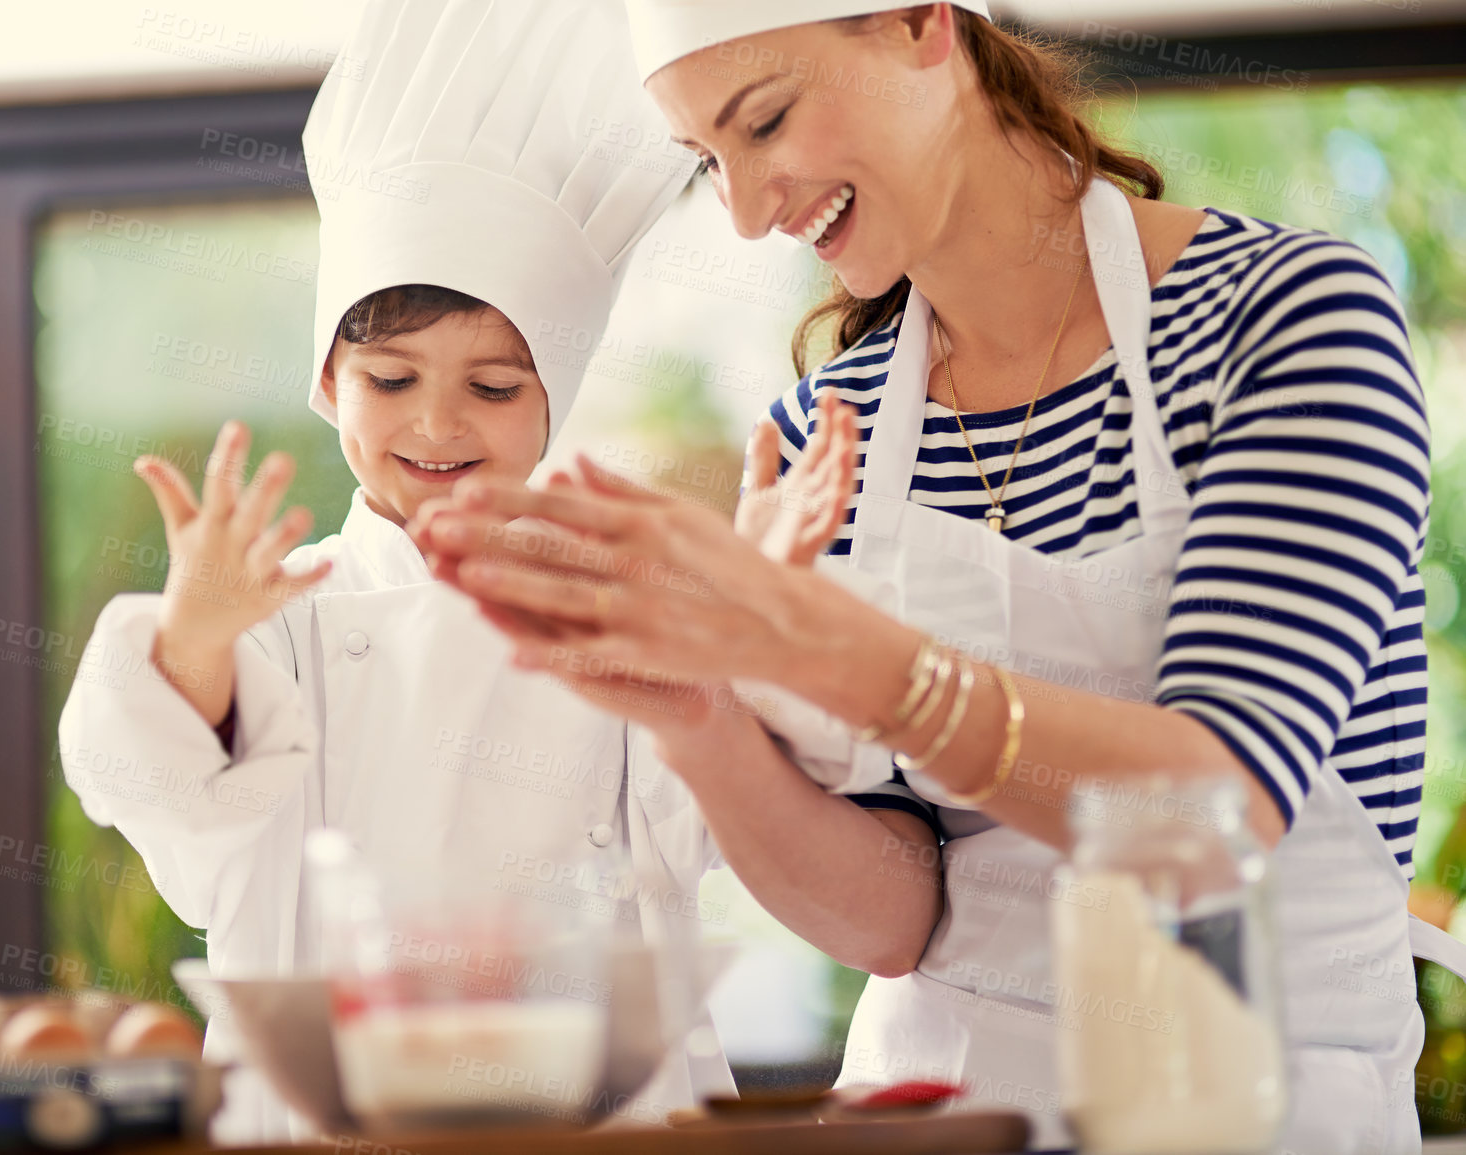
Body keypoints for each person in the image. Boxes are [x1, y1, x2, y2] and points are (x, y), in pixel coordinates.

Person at [408, 2, 1455, 1150]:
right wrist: (695, 711)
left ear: (921, 25)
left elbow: (1212, 813)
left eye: (765, 121)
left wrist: (806, 644)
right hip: (943, 1105)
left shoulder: (1286, 319)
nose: (753, 214)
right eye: (708, 162)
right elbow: (896, 920)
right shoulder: (827, 436)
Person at [57, 0, 730, 1142]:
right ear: (329, 383)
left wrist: (740, 635)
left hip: (592, 1109)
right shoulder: (288, 611)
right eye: (391, 379)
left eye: (495, 387)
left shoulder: (613, 597)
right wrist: (197, 640)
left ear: (554, 399)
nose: (439, 423)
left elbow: (702, 833)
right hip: (325, 1116)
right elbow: (173, 816)